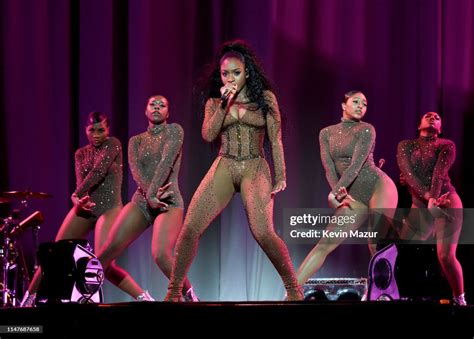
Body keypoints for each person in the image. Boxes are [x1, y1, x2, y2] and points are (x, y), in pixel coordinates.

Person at [164, 39, 303, 301]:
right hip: (226, 163)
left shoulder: (265, 99)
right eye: (225, 73)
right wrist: (224, 105)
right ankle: (174, 292)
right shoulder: (215, 102)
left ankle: (294, 290)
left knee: (263, 231)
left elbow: (276, 139)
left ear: (247, 72)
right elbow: (208, 134)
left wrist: (282, 175)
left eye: (236, 73)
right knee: (190, 228)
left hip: (254, 165)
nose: (230, 78)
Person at [97, 95, 198, 302]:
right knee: (101, 261)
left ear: (168, 113)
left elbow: (166, 162)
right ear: (145, 110)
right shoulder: (136, 141)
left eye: (162, 106)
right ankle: (143, 298)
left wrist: (154, 194)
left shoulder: (175, 131)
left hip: (168, 201)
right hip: (142, 200)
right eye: (153, 104)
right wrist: (149, 195)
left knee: (160, 254)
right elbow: (136, 172)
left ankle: (189, 295)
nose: (157, 108)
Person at [21, 111, 124, 306]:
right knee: (54, 253)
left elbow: (99, 171)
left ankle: (142, 298)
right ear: (85, 130)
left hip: (109, 209)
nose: (96, 134)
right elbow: (81, 179)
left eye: (101, 130)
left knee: (103, 264)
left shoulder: (113, 144)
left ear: (108, 130)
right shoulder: (81, 153)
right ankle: (29, 299)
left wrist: (75, 194)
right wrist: (79, 200)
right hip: (87, 207)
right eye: (92, 130)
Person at [296, 90, 399, 286]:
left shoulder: (367, 129)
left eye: (365, 103)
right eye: (356, 101)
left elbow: (356, 165)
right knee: (324, 244)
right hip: (353, 195)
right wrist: (339, 194)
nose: (361, 106)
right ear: (343, 105)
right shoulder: (325, 133)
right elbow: (329, 167)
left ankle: (383, 294)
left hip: (378, 186)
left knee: (375, 243)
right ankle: (291, 293)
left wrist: (334, 194)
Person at [397, 111, 466, 306]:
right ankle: (404, 295)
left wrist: (434, 200)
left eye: (437, 117)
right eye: (428, 116)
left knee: (445, 256)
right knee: (403, 251)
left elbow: (438, 174)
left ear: (441, 129)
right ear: (419, 125)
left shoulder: (446, 145)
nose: (433, 117)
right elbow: (408, 175)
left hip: (446, 199)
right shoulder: (406, 145)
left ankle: (459, 299)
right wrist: (428, 199)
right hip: (422, 202)